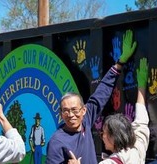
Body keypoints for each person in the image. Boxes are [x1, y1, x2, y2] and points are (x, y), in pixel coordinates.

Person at [46, 29, 137, 164]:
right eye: (65, 111)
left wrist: (120, 63)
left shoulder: (86, 120)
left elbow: (101, 93)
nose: (71, 115)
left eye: (74, 110)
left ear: (83, 110)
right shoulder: (57, 142)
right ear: (60, 113)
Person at [68, 58, 150, 164]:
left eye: (104, 133)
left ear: (114, 137)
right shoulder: (137, 150)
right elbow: (141, 123)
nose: (102, 137)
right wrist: (142, 86)